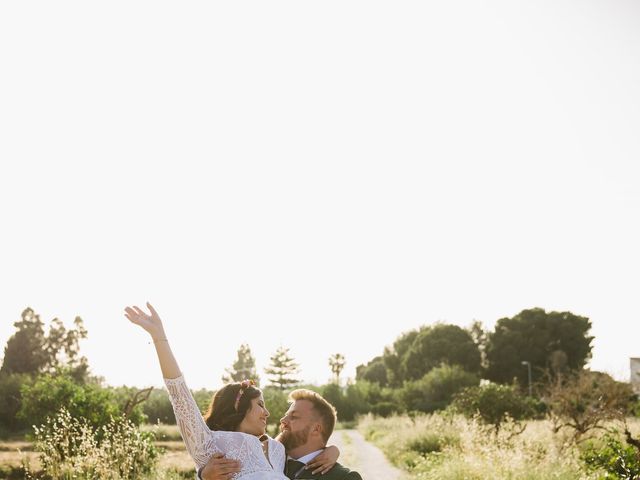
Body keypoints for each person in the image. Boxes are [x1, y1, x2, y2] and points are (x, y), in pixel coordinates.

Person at [125, 303, 339, 480]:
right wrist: (159, 337)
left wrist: (333, 451)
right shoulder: (212, 443)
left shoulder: (278, 449)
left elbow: (307, 445)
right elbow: (179, 393)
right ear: (239, 407)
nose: (268, 413)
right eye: (260, 405)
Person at [200, 389, 363, 480]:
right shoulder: (268, 458)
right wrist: (204, 475)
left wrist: (333, 449)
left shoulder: (343, 478)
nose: (283, 420)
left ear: (316, 429)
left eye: (294, 416)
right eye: (286, 414)